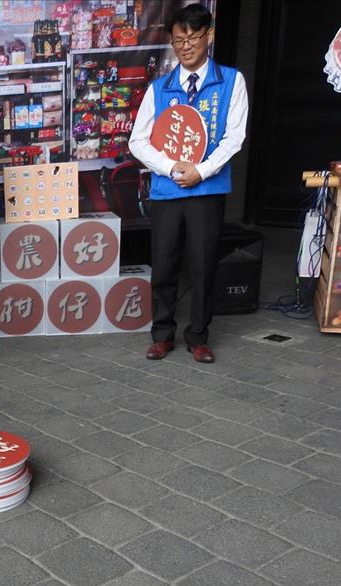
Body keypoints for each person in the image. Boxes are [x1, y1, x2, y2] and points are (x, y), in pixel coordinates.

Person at [128, 3, 248, 364]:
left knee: (203, 263)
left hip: (207, 191)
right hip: (167, 191)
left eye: (193, 38)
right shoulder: (160, 88)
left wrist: (202, 171)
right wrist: (169, 168)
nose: (186, 46)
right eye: (179, 40)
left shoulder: (231, 81)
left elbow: (235, 137)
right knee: (163, 265)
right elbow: (138, 140)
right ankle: (162, 334)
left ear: (208, 35)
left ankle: (198, 335)